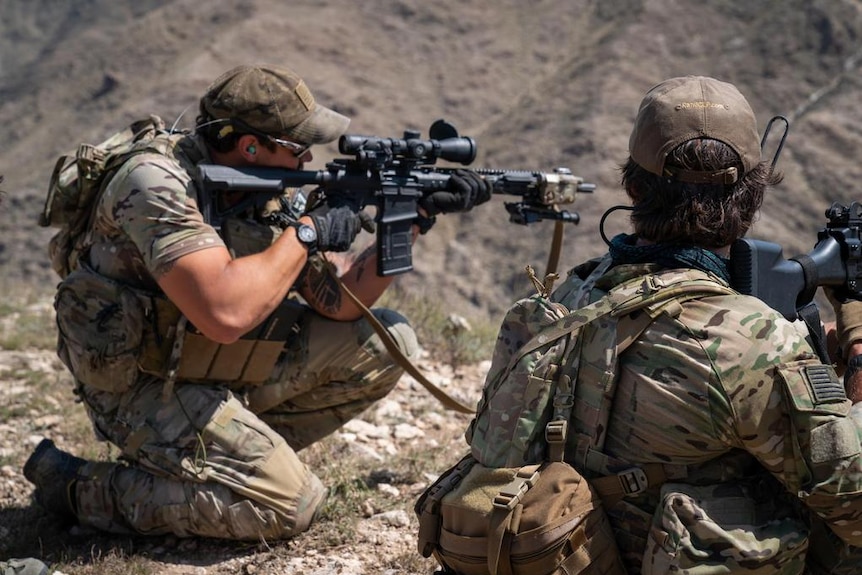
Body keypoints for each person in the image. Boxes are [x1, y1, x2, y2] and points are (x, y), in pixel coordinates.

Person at [22, 64, 491, 540]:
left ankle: (231, 462)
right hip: (138, 383)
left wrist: (413, 218)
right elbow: (225, 315)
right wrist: (307, 232)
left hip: (211, 366)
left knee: (385, 340)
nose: (308, 157)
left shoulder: (265, 188)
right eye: (297, 147)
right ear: (250, 147)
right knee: (290, 506)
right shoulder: (155, 183)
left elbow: (339, 303)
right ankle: (80, 488)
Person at [540, 76, 862, 573]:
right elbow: (854, 506)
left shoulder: (572, 295)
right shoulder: (749, 343)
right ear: (753, 198)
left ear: (632, 187)